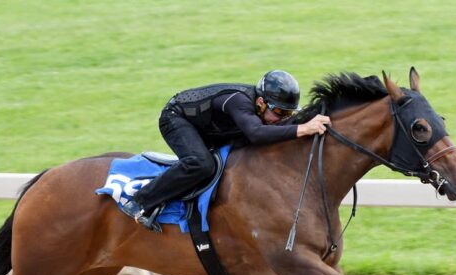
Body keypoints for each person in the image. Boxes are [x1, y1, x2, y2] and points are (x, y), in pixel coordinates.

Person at [123, 70, 332, 231]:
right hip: (176, 118)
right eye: (278, 112)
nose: (282, 118)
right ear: (260, 102)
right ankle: (140, 202)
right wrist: (303, 128)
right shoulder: (239, 101)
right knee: (201, 164)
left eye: (288, 113)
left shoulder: (261, 110)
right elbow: (257, 133)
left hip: (211, 127)